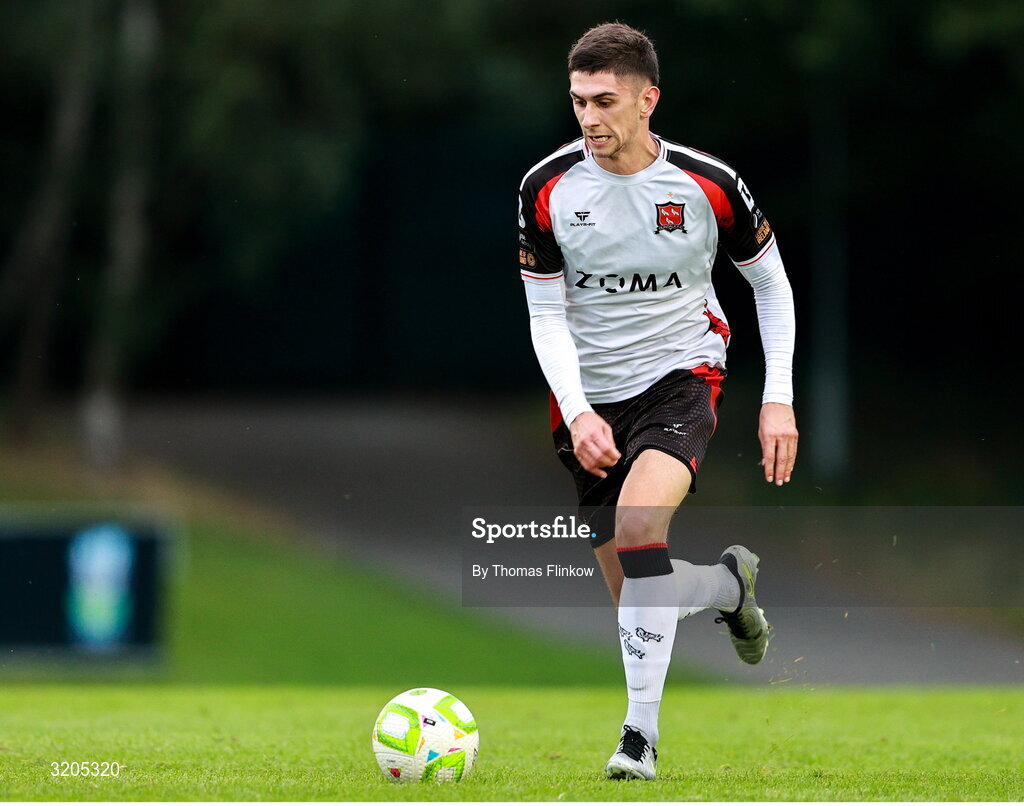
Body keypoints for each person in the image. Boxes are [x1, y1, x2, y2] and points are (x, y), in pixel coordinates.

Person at [518, 22, 798, 780]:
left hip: (683, 374)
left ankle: (637, 741)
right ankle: (727, 586)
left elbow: (769, 284)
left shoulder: (708, 185)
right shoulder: (545, 189)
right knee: (640, 592)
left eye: (604, 101)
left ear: (649, 100)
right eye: (577, 101)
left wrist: (778, 398)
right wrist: (577, 411)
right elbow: (545, 314)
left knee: (642, 531)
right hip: (588, 399)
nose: (588, 118)